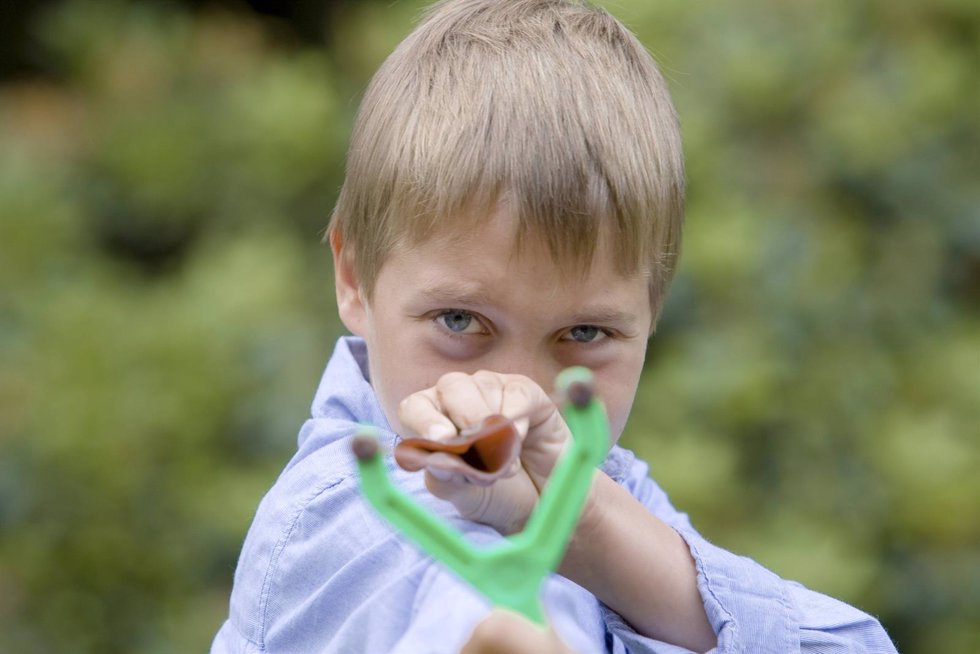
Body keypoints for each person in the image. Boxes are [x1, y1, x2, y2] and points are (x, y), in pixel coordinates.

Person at [211, 0, 899, 651]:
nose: (520, 398)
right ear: (354, 280)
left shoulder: (613, 490)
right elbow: (462, 602)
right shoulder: (341, 507)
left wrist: (580, 523)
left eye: (585, 335)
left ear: (650, 313)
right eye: (460, 321)